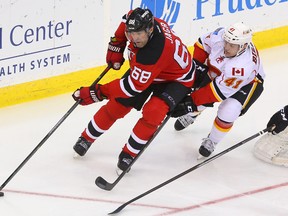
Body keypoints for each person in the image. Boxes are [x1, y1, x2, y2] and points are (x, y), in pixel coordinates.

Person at [72, 7, 195, 172]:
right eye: (131, 34)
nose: (134, 38)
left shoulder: (154, 51)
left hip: (175, 79)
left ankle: (129, 153)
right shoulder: (141, 26)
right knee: (118, 106)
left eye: (139, 34)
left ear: (150, 30)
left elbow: (131, 87)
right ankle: (86, 138)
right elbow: (125, 21)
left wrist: (97, 92)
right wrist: (117, 44)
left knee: (154, 111)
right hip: (149, 71)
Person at [172, 22, 265, 158]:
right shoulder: (221, 36)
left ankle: (213, 140)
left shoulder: (242, 67)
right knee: (199, 88)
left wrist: (190, 102)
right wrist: (196, 69)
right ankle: (193, 114)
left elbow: (215, 93)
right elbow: (201, 44)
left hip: (249, 83)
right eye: (226, 42)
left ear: (243, 46)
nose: (226, 47)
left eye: (231, 45)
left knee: (229, 111)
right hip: (221, 71)